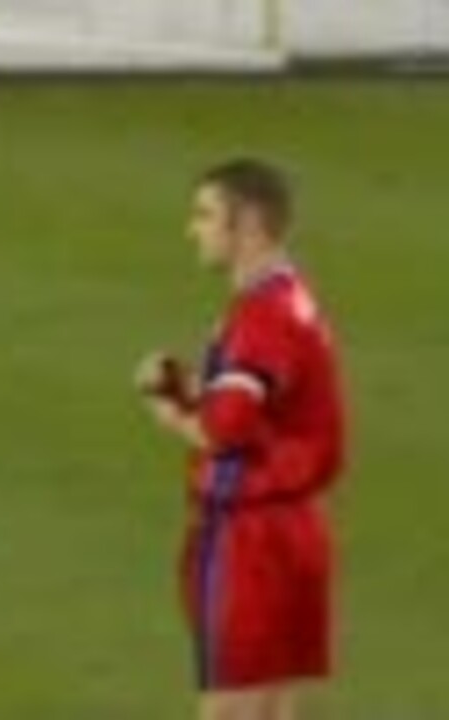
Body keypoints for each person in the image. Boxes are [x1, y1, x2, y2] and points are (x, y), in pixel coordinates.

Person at [135, 159, 346, 720]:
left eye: (206, 215)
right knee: (273, 708)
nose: (193, 229)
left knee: (231, 710)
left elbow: (222, 429)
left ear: (248, 224)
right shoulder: (291, 296)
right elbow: (262, 410)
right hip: (294, 525)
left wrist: (167, 409)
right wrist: (194, 389)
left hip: (251, 540)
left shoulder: (261, 317)